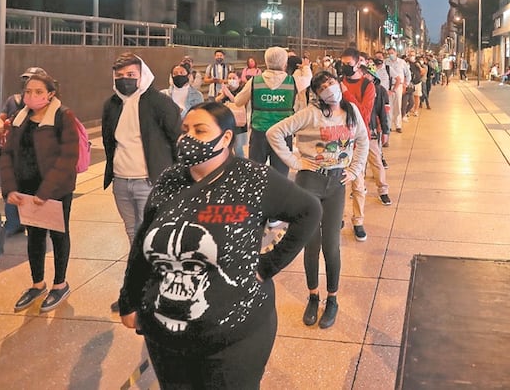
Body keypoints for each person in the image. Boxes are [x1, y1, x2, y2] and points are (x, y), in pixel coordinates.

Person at [118, 102, 321, 390]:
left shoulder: (252, 178)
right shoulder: (168, 180)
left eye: (200, 130)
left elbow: (309, 210)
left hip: (232, 342)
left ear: (226, 138)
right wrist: (129, 299)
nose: (188, 138)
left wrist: (267, 265)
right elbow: (142, 244)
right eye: (185, 130)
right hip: (165, 339)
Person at [266, 71, 368, 329]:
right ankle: (313, 296)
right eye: (322, 87)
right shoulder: (310, 114)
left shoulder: (351, 111)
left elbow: (363, 141)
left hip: (337, 183)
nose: (328, 89)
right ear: (316, 93)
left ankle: (332, 299)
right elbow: (274, 133)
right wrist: (294, 161)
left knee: (331, 245)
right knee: (311, 244)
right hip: (309, 182)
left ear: (339, 83)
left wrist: (354, 169)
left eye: (331, 82)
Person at [102, 52, 182, 313]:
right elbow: (108, 141)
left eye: (131, 75)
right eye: (120, 76)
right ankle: (136, 290)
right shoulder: (112, 105)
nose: (125, 80)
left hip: (150, 182)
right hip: (121, 182)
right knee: (133, 236)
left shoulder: (159, 103)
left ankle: (157, 291)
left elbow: (177, 139)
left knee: (153, 237)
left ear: (142, 75)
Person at [0, 73, 79, 313]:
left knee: (58, 235)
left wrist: (45, 192)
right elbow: (7, 154)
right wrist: (10, 189)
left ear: (50, 94)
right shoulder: (19, 118)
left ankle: (60, 284)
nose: (31, 96)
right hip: (27, 190)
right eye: (28, 92)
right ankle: (37, 284)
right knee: (34, 237)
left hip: (55, 189)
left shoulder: (63, 116)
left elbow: (68, 158)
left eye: (38, 92)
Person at [234, 46, 309, 178]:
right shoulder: (293, 82)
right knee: (280, 176)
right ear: (284, 63)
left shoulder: (254, 81)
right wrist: (305, 66)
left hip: (259, 133)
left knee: (255, 174)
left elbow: (238, 101)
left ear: (266, 62)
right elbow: (308, 79)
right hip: (283, 133)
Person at [339, 49, 390, 242]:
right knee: (339, 185)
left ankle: (358, 221)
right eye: (342, 63)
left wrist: (345, 94)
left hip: (360, 138)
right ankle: (338, 218)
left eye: (348, 64)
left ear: (357, 64)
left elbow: (364, 113)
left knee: (358, 184)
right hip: (340, 139)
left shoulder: (368, 86)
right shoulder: (337, 82)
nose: (344, 67)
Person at [0, 66, 48, 236]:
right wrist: (0, 125)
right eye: (25, 80)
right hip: (14, 154)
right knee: (12, 189)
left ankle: (37, 223)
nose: (26, 84)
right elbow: (1, 118)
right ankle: (14, 223)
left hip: (36, 156)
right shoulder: (14, 100)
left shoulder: (48, 104)